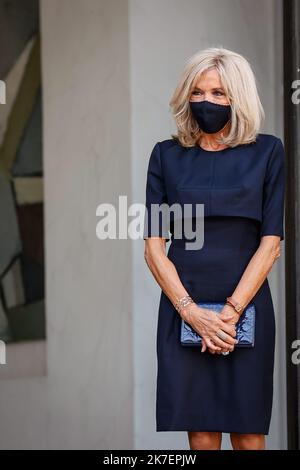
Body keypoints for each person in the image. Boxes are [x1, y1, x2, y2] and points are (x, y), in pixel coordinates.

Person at [143, 47, 285, 450]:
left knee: (248, 433)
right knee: (201, 433)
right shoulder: (166, 156)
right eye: (199, 92)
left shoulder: (268, 153)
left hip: (247, 306)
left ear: (237, 97)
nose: (208, 101)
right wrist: (191, 313)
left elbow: (271, 244)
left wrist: (230, 313)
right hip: (182, 307)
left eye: (220, 93)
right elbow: (154, 248)